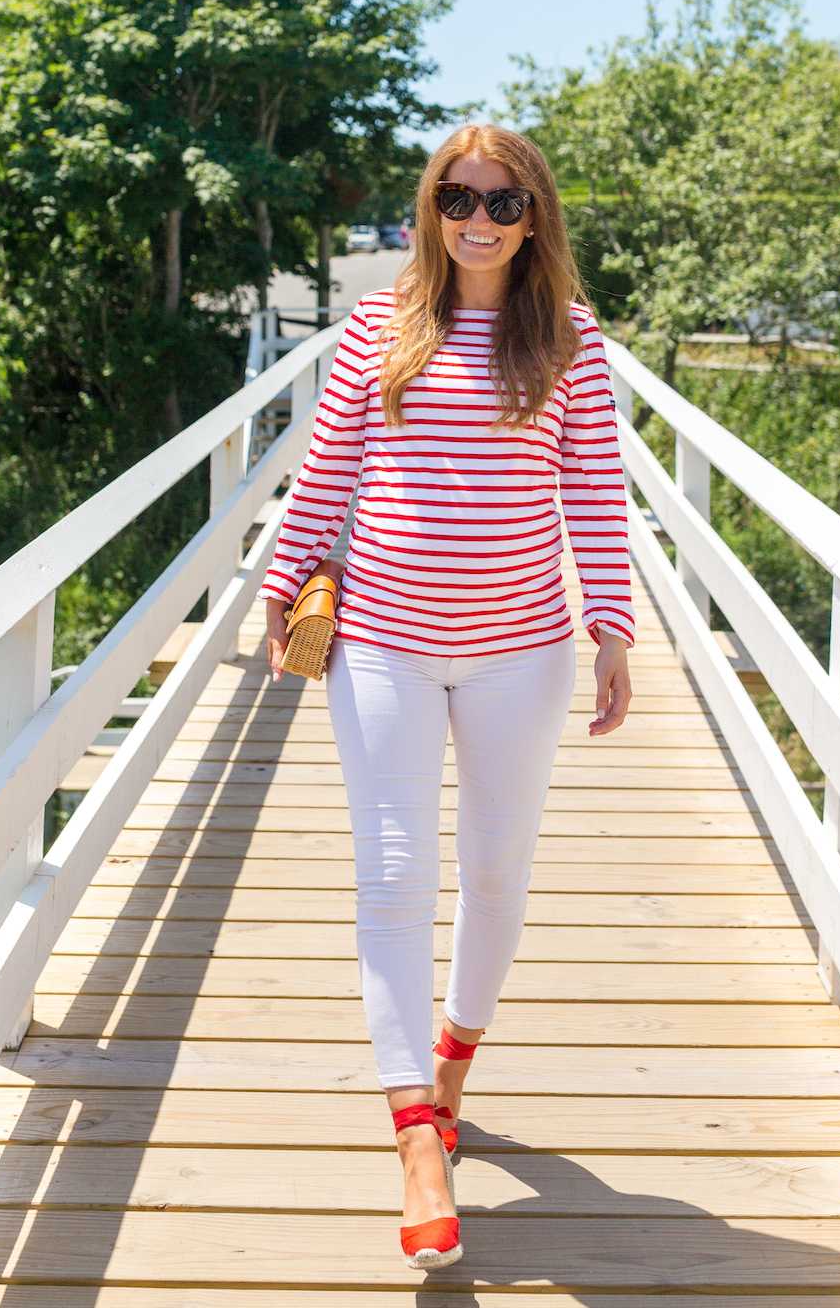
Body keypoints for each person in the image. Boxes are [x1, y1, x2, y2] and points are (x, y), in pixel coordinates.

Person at [260, 124, 634, 1271]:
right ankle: (416, 1134)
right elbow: (328, 467)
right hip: (382, 642)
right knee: (392, 874)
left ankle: (455, 1061)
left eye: (503, 202)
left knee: (496, 871)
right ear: (430, 209)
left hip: (522, 649)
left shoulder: (571, 340)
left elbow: (597, 491)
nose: (479, 219)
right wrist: (281, 580)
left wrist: (613, 627)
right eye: (457, 198)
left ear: (535, 217)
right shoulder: (381, 324)